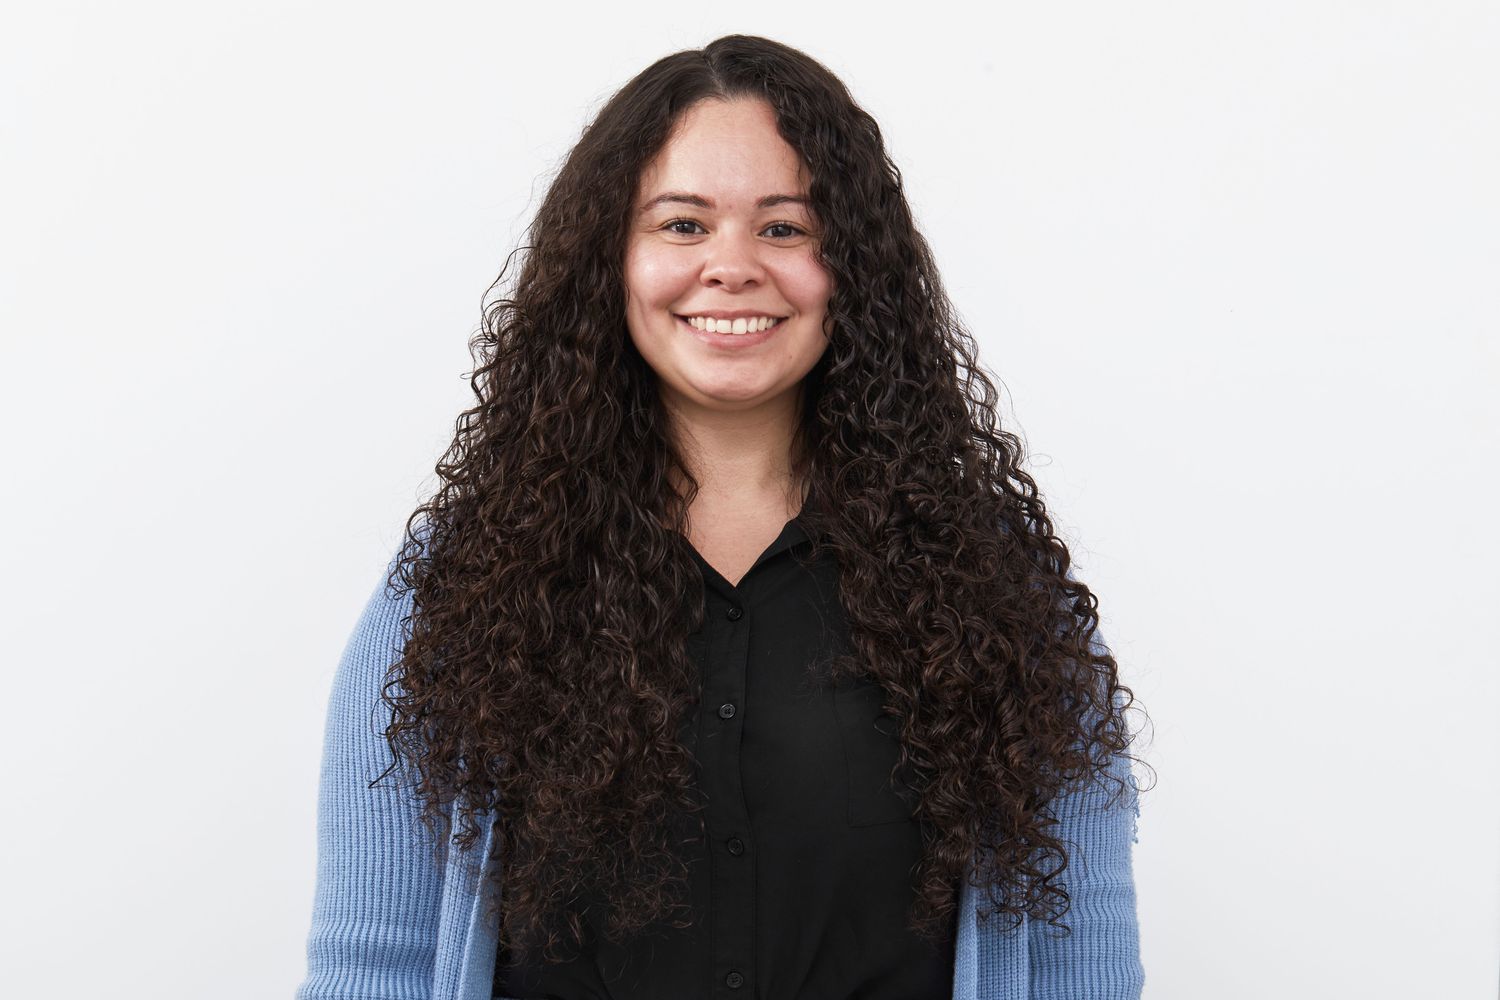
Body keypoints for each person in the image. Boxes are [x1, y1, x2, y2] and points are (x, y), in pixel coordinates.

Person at [295, 33, 1148, 1000]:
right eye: (683, 225)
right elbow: (375, 963)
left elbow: (1082, 960)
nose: (733, 266)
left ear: (853, 265)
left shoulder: (992, 590)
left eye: (784, 228)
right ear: (610, 261)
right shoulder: (459, 591)